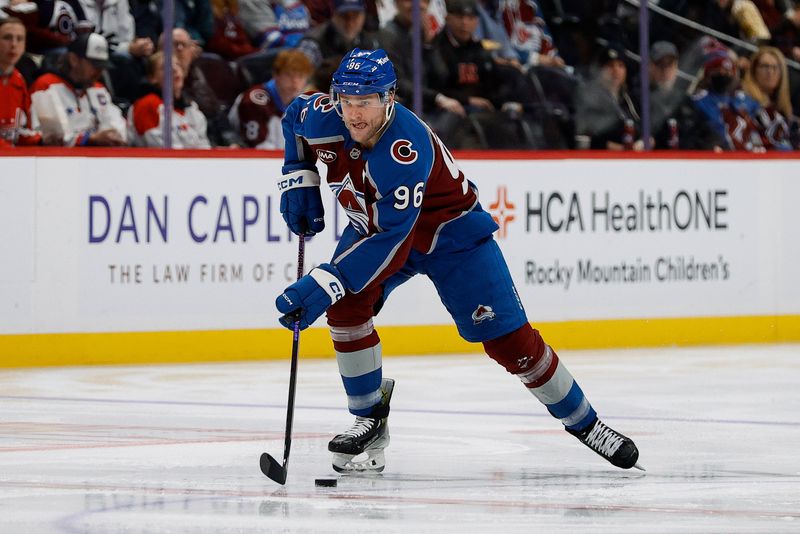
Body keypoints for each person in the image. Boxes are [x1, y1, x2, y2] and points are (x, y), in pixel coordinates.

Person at [272, 48, 641, 474]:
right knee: (346, 305)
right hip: (379, 225)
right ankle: (369, 418)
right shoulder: (323, 115)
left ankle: (587, 424)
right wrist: (297, 178)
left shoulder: (403, 150)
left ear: (388, 99)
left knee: (511, 343)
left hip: (451, 236)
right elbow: (294, 118)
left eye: (366, 102)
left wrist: (327, 280)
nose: (354, 114)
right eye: (347, 102)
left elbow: (393, 239)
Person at [29, 32, 127, 146]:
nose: (99, 72)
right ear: (73, 60)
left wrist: (109, 135)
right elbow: (46, 136)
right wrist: (88, 139)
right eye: (94, 65)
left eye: (102, 67)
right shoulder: (46, 85)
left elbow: (117, 127)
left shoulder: (99, 89)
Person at [228, 48, 313, 149]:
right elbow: (257, 148)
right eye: (289, 75)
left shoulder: (304, 105)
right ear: (275, 75)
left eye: (301, 76)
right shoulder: (254, 101)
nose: (295, 82)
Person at [127, 51, 210, 148]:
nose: (174, 69)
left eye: (177, 64)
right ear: (152, 78)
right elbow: (160, 149)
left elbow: (204, 147)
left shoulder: (192, 108)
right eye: (165, 67)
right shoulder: (147, 105)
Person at [575, 42, 644, 150]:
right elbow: (585, 139)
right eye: (610, 65)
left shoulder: (631, 99)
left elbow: (648, 131)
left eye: (620, 65)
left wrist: (642, 144)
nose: (616, 70)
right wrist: (620, 149)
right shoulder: (589, 99)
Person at [741, 46, 797, 149]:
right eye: (765, 66)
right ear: (754, 70)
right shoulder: (745, 102)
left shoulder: (783, 108)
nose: (770, 72)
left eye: (775, 67)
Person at [297, 0, 380, 67]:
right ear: (333, 15)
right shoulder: (313, 43)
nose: (350, 23)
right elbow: (299, 76)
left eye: (355, 16)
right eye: (344, 16)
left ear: (364, 17)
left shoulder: (371, 42)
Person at [0, 17, 41, 146]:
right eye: (7, 38)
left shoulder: (18, 79)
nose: (14, 44)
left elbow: (25, 130)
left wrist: (42, 139)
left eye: (20, 39)